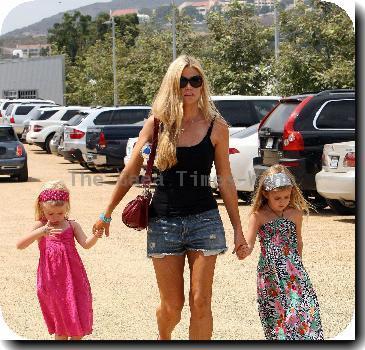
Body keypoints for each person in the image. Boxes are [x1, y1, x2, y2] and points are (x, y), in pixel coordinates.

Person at [93, 55, 249, 340]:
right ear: (172, 85)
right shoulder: (156, 125)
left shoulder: (217, 127)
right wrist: (107, 213)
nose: (188, 86)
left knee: (201, 302)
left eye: (195, 80)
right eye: (182, 81)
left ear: (202, 85)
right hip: (164, 223)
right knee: (172, 307)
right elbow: (131, 171)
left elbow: (226, 180)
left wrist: (238, 230)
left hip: (205, 221)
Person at [241, 164, 324, 340]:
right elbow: (249, 244)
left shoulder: (295, 214)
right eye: (277, 198)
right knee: (277, 316)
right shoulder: (258, 216)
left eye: (286, 197)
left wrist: (299, 267)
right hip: (270, 275)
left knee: (302, 309)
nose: (282, 201)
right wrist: (243, 250)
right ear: (265, 194)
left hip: (293, 272)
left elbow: (298, 242)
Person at [16, 180, 103, 340]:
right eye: (50, 214)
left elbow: (86, 244)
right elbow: (20, 245)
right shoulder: (40, 226)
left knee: (76, 321)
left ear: (66, 208)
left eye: (60, 213)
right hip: (52, 281)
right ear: (42, 208)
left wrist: (96, 236)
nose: (55, 217)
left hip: (74, 278)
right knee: (60, 325)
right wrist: (41, 232)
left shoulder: (72, 225)